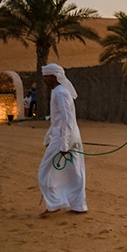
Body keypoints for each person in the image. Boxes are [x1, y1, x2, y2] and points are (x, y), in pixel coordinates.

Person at [37, 63, 87, 218]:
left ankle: (54, 204)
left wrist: (64, 144)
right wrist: (49, 136)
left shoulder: (60, 93)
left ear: (54, 77)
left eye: (46, 76)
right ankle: (79, 205)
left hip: (65, 137)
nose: (44, 79)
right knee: (75, 171)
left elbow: (67, 120)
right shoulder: (57, 92)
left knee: (45, 171)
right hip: (66, 136)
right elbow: (57, 120)